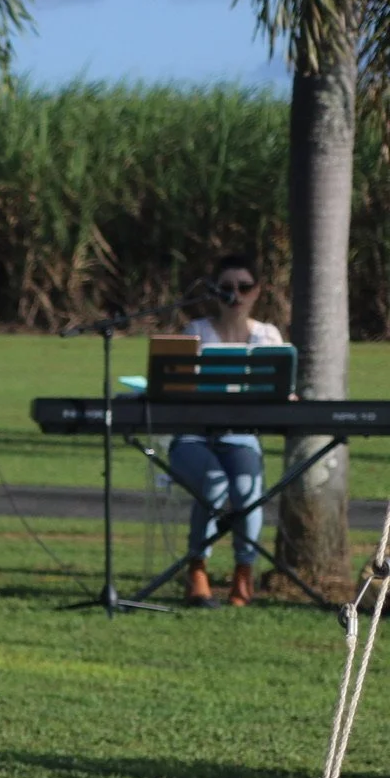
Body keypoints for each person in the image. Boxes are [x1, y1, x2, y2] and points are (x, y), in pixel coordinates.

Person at [170, 254, 283, 608]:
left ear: (257, 292)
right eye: (227, 287)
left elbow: (278, 388)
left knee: (247, 490)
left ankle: (243, 573)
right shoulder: (197, 332)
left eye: (244, 287)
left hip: (241, 435)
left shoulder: (268, 337)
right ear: (215, 292)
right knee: (212, 480)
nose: (236, 294)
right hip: (194, 435)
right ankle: (197, 569)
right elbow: (175, 386)